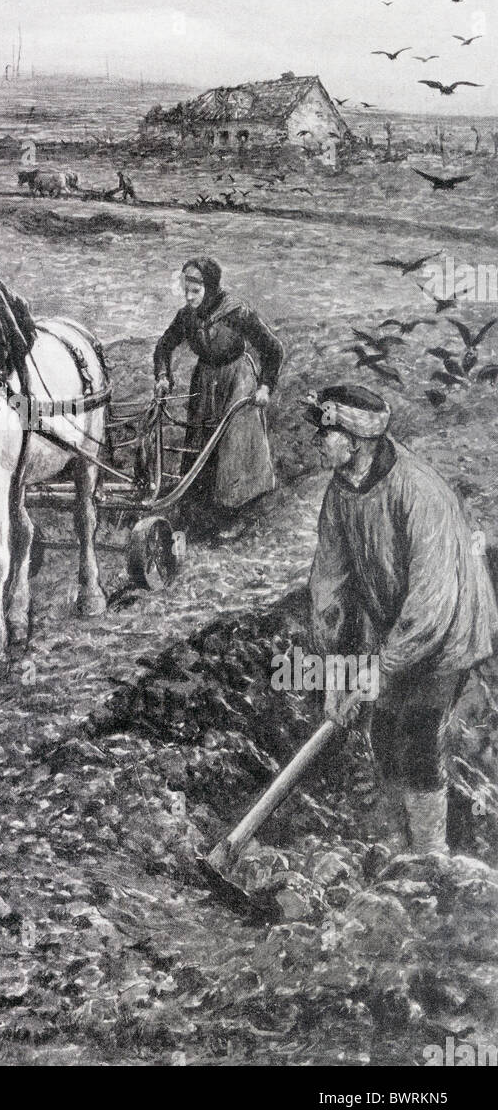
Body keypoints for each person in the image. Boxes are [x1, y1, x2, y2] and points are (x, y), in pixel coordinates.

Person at [306, 383, 498, 855]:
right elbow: (329, 584)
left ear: (357, 439)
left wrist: (375, 671)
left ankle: (432, 856)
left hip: (447, 626)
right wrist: (336, 672)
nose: (318, 441)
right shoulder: (339, 495)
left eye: (327, 432)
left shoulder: (418, 490)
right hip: (394, 629)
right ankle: (402, 847)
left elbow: (431, 605)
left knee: (417, 732)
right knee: (383, 734)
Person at [153, 257, 283, 539]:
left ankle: (237, 514)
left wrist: (264, 387)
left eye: (195, 291)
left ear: (210, 288)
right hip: (206, 380)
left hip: (237, 379)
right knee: (200, 443)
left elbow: (273, 350)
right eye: (186, 290)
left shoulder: (237, 311)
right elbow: (164, 346)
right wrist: (163, 376)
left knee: (234, 448)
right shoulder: (187, 316)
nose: (189, 297)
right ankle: (199, 511)